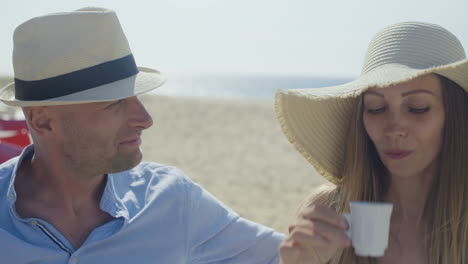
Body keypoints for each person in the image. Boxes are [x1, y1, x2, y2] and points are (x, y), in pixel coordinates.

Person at [0, 7, 285, 263]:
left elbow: (288, 257)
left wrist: (321, 217)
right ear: (43, 120)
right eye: (114, 104)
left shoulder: (172, 199)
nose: (145, 120)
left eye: (135, 97)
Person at [275, 22, 468, 264]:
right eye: (376, 109)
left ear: (455, 116)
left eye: (417, 108)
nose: (394, 128)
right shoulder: (331, 211)